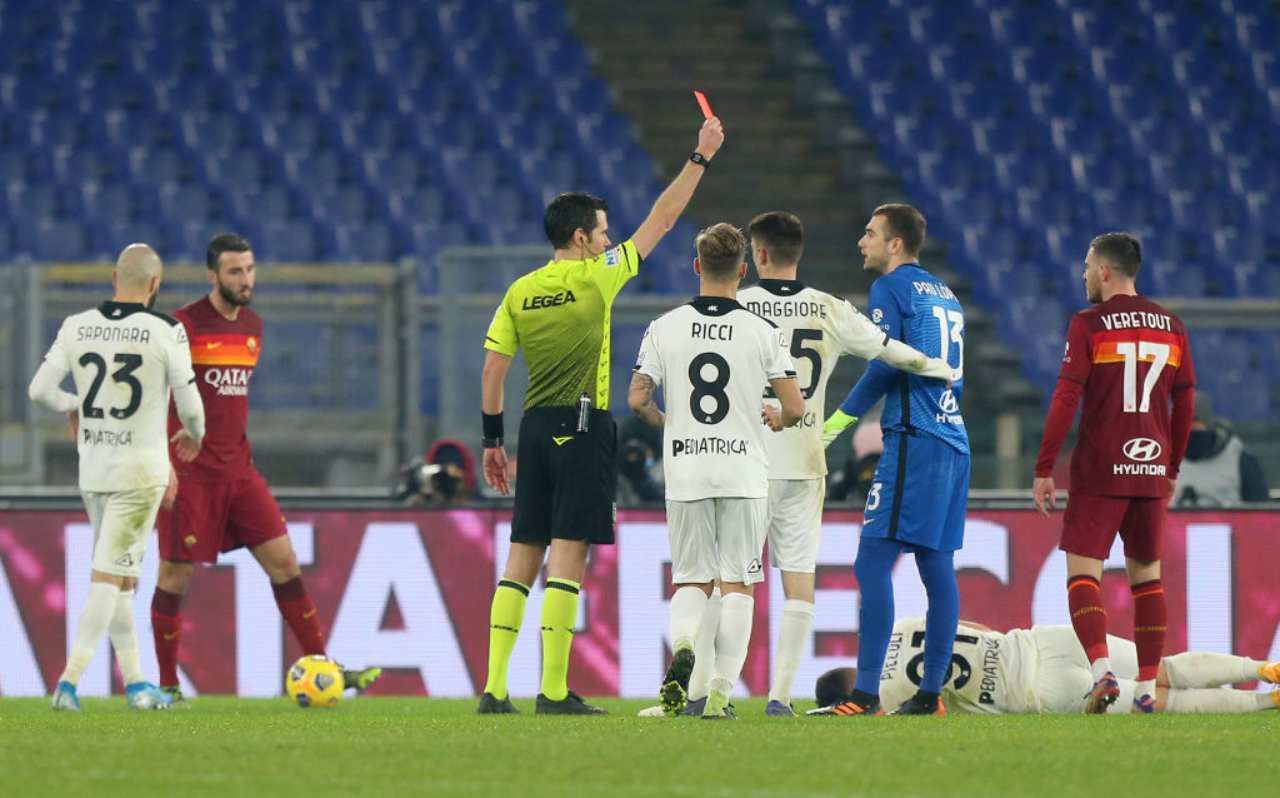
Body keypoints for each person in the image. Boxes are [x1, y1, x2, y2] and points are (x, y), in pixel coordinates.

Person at [478, 116, 726, 715]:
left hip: (532, 429)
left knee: (521, 557)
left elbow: (492, 373)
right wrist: (700, 157)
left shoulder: (520, 290)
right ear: (585, 238)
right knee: (568, 556)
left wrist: (493, 441)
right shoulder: (597, 277)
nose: (610, 238)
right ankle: (555, 691)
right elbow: (663, 221)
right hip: (584, 426)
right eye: (604, 231)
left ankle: (492, 689)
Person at [666, 211, 952, 717]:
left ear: (756, 256)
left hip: (743, 461)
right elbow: (889, 352)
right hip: (804, 460)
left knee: (729, 581)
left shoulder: (738, 306)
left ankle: (708, 696)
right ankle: (779, 699)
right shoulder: (829, 309)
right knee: (798, 583)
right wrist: (938, 365)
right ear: (798, 254)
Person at [150, 233, 381, 705]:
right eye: (235, 271)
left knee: (286, 564)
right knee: (175, 578)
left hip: (239, 473)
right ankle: (168, 685)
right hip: (190, 476)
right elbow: (154, 397)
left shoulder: (253, 325)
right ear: (213, 276)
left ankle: (322, 665)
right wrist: (161, 461)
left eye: (250, 269)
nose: (246, 279)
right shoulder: (183, 325)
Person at [629, 222, 804, 719]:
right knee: (738, 586)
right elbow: (793, 407)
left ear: (697, 267)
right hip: (744, 471)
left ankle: (684, 646)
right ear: (743, 271)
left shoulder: (664, 326)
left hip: (686, 468)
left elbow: (637, 398)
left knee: (691, 582)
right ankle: (721, 693)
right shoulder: (763, 331)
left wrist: (669, 422)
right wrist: (773, 414)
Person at [28, 243, 205, 711]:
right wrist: (196, 436)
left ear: (113, 278)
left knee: (123, 579)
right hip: (139, 475)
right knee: (110, 579)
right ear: (154, 285)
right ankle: (68, 684)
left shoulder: (75, 326)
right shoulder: (167, 330)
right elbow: (191, 408)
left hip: (95, 470)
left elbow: (40, 390)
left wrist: (75, 406)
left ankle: (136, 685)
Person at [1033, 232, 1196, 714]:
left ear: (1105, 270)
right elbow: (1184, 400)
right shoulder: (1172, 325)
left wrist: (1045, 465)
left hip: (1101, 466)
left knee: (1084, 573)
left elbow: (1067, 397)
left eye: (1086, 265)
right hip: (1150, 467)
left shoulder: (1088, 324)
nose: (1083, 273)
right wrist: (1172, 463)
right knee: (1148, 578)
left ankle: (1103, 671)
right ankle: (1146, 688)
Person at [819, 204, 970, 717]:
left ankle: (865, 695)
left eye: (870, 233)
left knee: (873, 560)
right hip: (954, 437)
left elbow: (885, 366)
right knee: (936, 564)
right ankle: (930, 695)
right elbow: (953, 374)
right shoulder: (946, 295)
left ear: (896, 244)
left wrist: (835, 426)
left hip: (914, 437)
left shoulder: (892, 288)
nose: (862, 241)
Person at [813, 616, 1280, 715]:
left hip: (1039, 691)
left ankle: (1265, 701)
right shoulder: (899, 626)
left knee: (1160, 702)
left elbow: (934, 712)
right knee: (1164, 666)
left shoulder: (889, 695)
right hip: (1045, 641)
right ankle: (1261, 667)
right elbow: (970, 622)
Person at [1174, 391, 1269, 506]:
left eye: (1194, 420)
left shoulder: (1240, 460)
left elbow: (1261, 513)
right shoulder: (1157, 460)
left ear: (1207, 423)